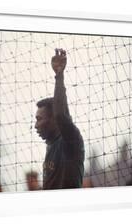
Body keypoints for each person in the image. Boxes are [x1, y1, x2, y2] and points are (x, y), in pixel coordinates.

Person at [35, 48, 85, 190]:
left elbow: (61, 116)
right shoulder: (50, 144)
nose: (35, 125)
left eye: (39, 119)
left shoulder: (71, 141)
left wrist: (59, 75)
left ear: (53, 120)